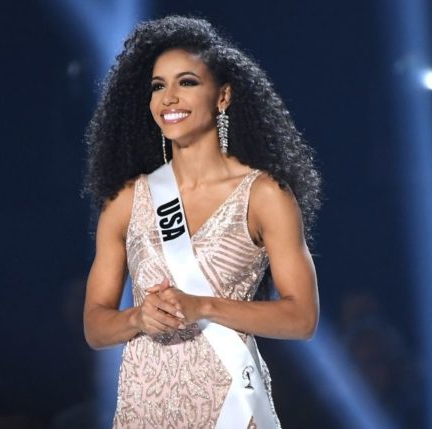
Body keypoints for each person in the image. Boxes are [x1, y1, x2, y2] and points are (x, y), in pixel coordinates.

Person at [82, 16, 321, 428]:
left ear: (223, 96)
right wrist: (137, 317)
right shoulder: (126, 200)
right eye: (159, 86)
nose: (169, 98)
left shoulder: (264, 195)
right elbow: (95, 325)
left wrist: (204, 306)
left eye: (187, 82)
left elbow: (302, 319)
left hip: (231, 403)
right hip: (146, 407)